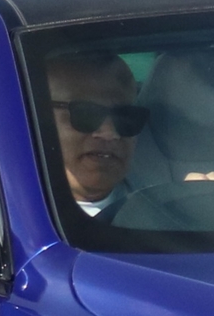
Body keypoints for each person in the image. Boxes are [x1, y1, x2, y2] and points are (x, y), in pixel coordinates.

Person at [47, 50, 148, 215]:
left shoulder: (164, 210)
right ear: (37, 116)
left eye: (125, 116)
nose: (110, 133)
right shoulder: (5, 214)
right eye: (86, 114)